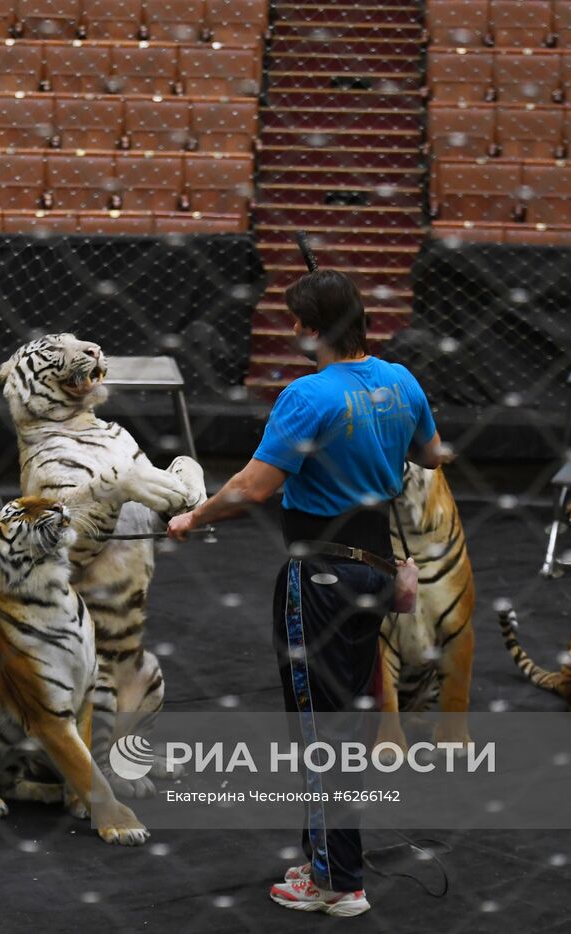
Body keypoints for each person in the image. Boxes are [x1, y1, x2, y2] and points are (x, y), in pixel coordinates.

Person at [168, 269, 448, 918]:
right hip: (375, 571)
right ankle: (331, 859)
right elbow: (433, 456)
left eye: (294, 321)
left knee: (319, 731)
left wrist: (193, 517)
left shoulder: (307, 396)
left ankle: (338, 883)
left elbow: (253, 490)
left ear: (309, 328)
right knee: (343, 720)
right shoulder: (400, 381)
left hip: (320, 577)